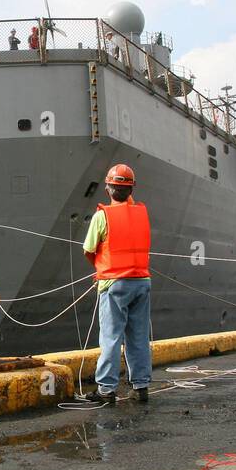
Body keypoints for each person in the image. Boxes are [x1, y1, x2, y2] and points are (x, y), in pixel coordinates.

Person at [82, 164, 152, 404]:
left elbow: (89, 249)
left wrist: (103, 268)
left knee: (111, 338)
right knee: (139, 336)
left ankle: (106, 390)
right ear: (131, 188)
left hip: (114, 283)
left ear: (108, 188)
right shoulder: (142, 213)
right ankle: (141, 387)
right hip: (142, 282)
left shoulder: (103, 216)